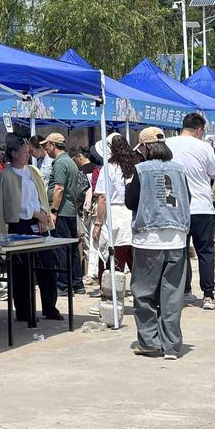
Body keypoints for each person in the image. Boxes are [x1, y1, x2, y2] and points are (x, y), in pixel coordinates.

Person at [126, 140, 191, 357]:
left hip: (149, 238)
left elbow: (131, 202)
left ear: (147, 150)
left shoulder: (141, 170)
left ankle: (149, 342)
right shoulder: (179, 170)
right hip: (176, 237)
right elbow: (188, 198)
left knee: (144, 293)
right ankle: (171, 344)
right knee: (172, 295)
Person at [0, 132, 60, 323]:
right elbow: (12, 206)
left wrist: (43, 216)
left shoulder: (33, 171)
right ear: (14, 154)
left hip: (39, 224)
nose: (27, 155)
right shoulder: (7, 175)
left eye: (27, 151)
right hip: (20, 226)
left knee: (47, 267)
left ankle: (50, 307)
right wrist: (35, 214)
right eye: (23, 152)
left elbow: (40, 196)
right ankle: (24, 311)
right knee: (22, 271)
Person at [167, 113, 215, 309]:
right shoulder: (204, 147)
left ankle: (184, 290)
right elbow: (214, 172)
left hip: (175, 206)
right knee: (205, 251)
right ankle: (208, 295)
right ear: (199, 130)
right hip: (201, 206)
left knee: (180, 251)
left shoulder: (168, 144)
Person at [92, 133, 137, 318]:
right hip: (132, 215)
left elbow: (102, 197)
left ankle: (110, 301)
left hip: (114, 216)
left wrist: (97, 222)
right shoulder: (135, 167)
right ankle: (145, 298)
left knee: (112, 261)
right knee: (134, 261)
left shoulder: (108, 168)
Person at [44, 131, 84, 290]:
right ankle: (77, 282)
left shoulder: (60, 163)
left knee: (61, 248)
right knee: (72, 248)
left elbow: (59, 188)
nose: (45, 149)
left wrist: (53, 211)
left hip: (61, 211)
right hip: (70, 210)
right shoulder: (70, 162)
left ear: (53, 145)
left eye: (46, 145)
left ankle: (63, 284)